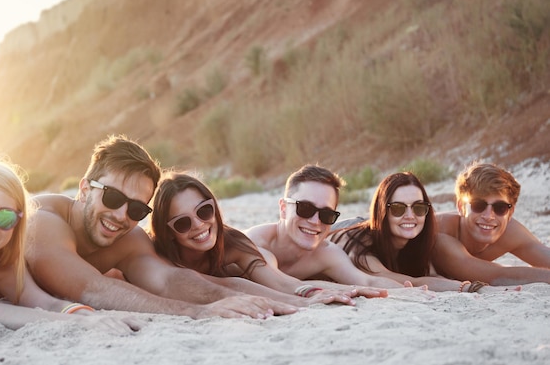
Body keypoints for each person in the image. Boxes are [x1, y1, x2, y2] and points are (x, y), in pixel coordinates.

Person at [26, 135, 298, 319]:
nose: (122, 215)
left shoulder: (129, 238)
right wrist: (199, 312)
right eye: (112, 197)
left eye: (136, 208)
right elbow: (91, 288)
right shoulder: (43, 219)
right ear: (85, 190)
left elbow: (168, 280)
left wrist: (228, 299)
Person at [0, 153, 141, 333]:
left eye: (4, 216)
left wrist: (88, 314)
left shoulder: (1, 262)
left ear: (18, 221)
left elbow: (45, 303)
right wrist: (82, 323)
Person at [147, 172, 377, 306]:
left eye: (204, 211)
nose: (198, 225)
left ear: (214, 208)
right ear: (167, 231)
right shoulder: (154, 255)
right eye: (182, 223)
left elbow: (279, 282)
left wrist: (312, 295)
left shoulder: (233, 243)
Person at [329, 172, 517, 292]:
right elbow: (409, 282)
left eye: (418, 208)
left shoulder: (418, 242)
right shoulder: (359, 244)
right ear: (382, 212)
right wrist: (472, 288)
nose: (410, 216)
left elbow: (433, 277)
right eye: (398, 208)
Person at [244, 164, 403, 293]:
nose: (315, 221)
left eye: (326, 214)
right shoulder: (254, 243)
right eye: (305, 208)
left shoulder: (326, 253)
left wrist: (410, 291)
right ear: (284, 208)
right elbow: (282, 285)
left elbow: (367, 281)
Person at [433, 161, 550, 285]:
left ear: (510, 213)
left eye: (500, 207)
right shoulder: (441, 232)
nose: (489, 216)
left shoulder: (510, 233)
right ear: (461, 207)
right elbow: (496, 276)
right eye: (478, 205)